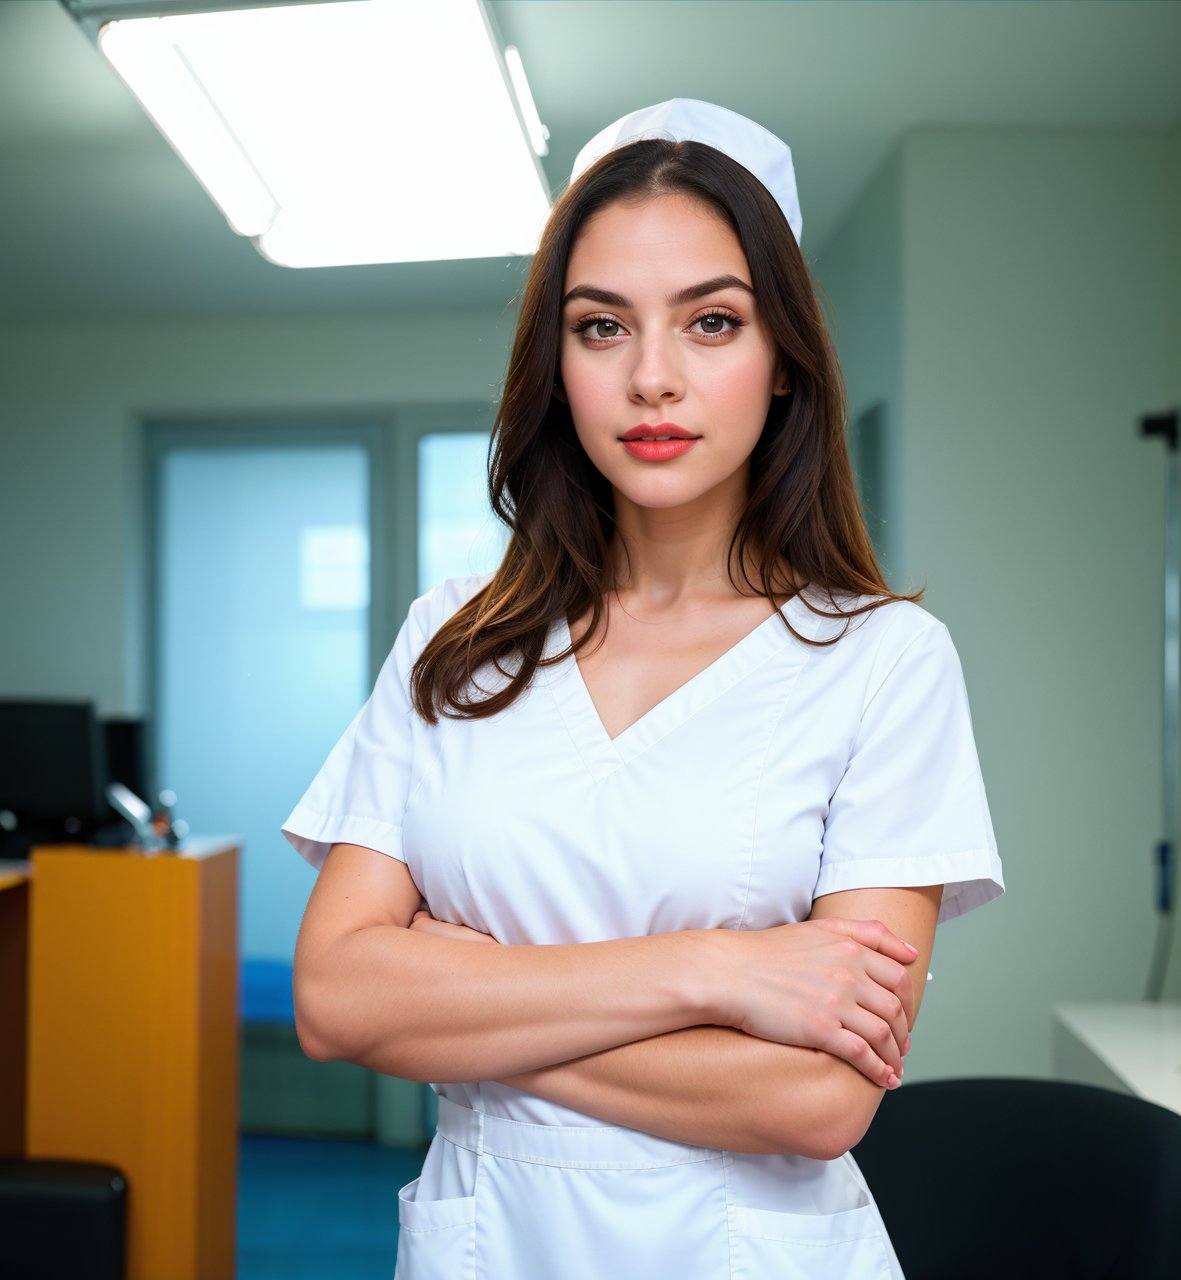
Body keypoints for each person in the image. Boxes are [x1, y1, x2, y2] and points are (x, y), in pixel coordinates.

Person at [282, 99, 1004, 1280]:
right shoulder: (451, 641)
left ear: (782, 363)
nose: (652, 377)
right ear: (555, 363)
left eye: (711, 321)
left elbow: (816, 1096)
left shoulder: (885, 660)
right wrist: (715, 971)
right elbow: (332, 996)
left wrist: (457, 1005)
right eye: (601, 326)